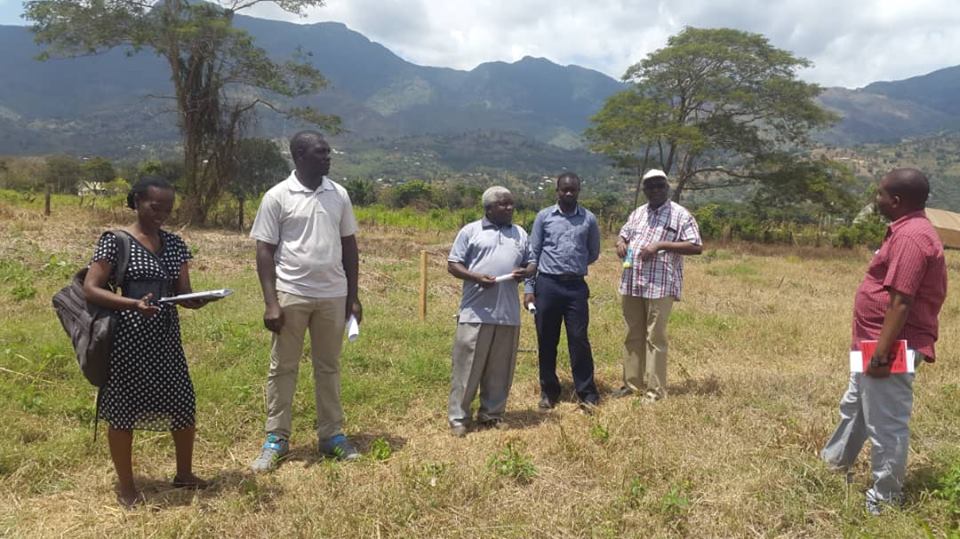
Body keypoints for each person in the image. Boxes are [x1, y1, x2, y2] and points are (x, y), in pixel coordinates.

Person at [82, 176, 215, 508]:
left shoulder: (175, 244)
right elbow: (91, 288)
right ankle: (127, 487)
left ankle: (184, 474)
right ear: (137, 202)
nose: (162, 214)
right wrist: (132, 304)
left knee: (182, 404)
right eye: (156, 207)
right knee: (123, 411)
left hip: (166, 339)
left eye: (168, 208)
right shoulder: (116, 241)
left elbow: (182, 291)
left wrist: (196, 300)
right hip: (127, 339)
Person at [820, 168, 947, 515]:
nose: (875, 200)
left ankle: (885, 497)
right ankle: (834, 464)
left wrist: (881, 353)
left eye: (879, 194)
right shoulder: (905, 231)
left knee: (886, 423)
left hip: (890, 345)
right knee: (855, 406)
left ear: (896, 201)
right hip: (874, 342)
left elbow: (901, 302)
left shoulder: (910, 238)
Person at [249, 130, 362, 472]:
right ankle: (276, 439)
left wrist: (353, 297)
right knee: (283, 366)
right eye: (320, 153)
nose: (328, 158)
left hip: (333, 294)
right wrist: (271, 302)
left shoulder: (338, 194)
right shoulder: (277, 197)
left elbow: (350, 247)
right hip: (292, 293)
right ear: (299, 156)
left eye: (328, 152)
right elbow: (264, 250)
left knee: (328, 367)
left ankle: (331, 436)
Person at [447, 186, 535, 436]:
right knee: (467, 366)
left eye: (511, 204)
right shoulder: (471, 231)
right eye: (503, 204)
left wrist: (527, 271)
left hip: (507, 313)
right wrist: (475, 276)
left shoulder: (519, 232)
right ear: (488, 208)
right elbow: (453, 264)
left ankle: (491, 415)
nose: (510, 208)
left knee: (500, 368)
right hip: (475, 312)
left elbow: (532, 261)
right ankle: (459, 418)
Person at [613, 169, 702, 402]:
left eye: (659, 186)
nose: (654, 190)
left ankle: (655, 392)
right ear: (644, 190)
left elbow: (696, 246)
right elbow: (623, 234)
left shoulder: (680, 215)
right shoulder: (638, 213)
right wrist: (621, 242)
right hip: (632, 282)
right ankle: (632, 385)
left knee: (655, 338)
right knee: (633, 334)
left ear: (667, 187)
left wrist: (661, 245)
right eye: (649, 187)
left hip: (660, 285)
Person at [524, 172, 602, 409]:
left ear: (579, 191)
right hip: (547, 285)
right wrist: (529, 288)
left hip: (576, 287)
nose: (569, 193)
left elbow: (593, 253)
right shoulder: (544, 217)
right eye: (564, 189)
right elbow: (532, 254)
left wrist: (572, 267)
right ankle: (549, 391)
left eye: (573, 190)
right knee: (547, 340)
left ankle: (586, 392)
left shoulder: (588, 219)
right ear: (557, 191)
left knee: (579, 340)